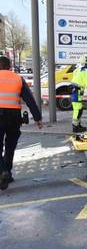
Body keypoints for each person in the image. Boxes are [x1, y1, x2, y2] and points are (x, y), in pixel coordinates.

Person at [0, 56, 43, 190]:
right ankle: (8, 172)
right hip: (14, 117)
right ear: (10, 66)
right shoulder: (18, 78)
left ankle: (3, 171)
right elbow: (29, 100)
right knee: (10, 146)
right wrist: (37, 118)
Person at [71, 55, 87, 133]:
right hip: (77, 92)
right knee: (78, 110)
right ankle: (75, 127)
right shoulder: (84, 71)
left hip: (75, 91)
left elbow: (77, 80)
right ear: (85, 63)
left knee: (79, 109)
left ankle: (77, 125)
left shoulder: (77, 70)